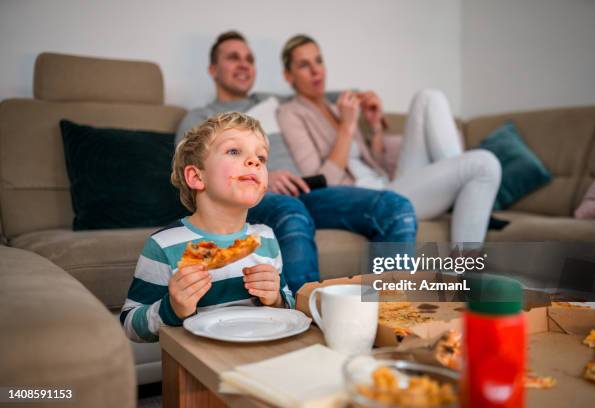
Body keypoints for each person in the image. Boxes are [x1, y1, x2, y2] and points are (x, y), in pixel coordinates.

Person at [176, 31, 418, 294]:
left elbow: (319, 91)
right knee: (291, 211)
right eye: (233, 58)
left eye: (249, 59)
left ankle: (388, 315)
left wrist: (363, 100)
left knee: (396, 207)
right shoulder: (199, 117)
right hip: (261, 197)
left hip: (308, 191)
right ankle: (304, 317)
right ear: (213, 69)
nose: (244, 64)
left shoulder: (273, 102)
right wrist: (263, 176)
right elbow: (188, 171)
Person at [277, 35, 502, 244]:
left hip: (388, 183)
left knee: (428, 97)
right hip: (369, 197)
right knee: (484, 164)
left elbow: (376, 167)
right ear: (288, 76)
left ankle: (460, 195)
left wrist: (374, 127)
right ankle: (463, 272)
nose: (316, 71)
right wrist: (347, 127)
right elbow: (320, 182)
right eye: (304, 65)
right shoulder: (291, 112)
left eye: (318, 61)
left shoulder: (338, 108)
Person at [121, 112, 294, 342]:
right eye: (234, 151)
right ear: (196, 177)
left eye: (261, 158)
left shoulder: (266, 238)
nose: (254, 161)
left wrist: (277, 299)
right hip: (197, 365)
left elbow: (288, 304)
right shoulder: (165, 245)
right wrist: (171, 307)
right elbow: (130, 326)